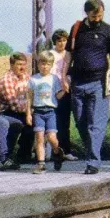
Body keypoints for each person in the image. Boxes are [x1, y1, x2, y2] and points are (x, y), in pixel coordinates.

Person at [67, 0, 110, 174]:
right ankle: (92, 153)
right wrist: (64, 76)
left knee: (95, 125)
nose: (98, 18)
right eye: (95, 15)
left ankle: (93, 163)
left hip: (99, 83)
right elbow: (69, 56)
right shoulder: (76, 30)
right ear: (87, 13)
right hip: (77, 83)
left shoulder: (108, 31)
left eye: (100, 15)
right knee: (81, 123)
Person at [26, 50, 66, 174]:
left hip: (50, 111)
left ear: (51, 65)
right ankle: (41, 164)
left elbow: (58, 95)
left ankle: (56, 152)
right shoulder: (34, 80)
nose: (45, 67)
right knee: (39, 137)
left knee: (52, 137)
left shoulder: (54, 79)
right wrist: (28, 112)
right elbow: (30, 97)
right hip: (38, 111)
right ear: (38, 64)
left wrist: (65, 89)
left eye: (48, 64)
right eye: (42, 64)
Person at [0, 52, 33, 167]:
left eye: (24, 64)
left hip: (22, 111)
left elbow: (34, 94)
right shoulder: (7, 80)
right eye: (19, 64)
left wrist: (32, 111)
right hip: (6, 112)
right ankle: (7, 156)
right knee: (22, 122)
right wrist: (30, 111)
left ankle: (24, 155)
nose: (22, 67)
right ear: (11, 65)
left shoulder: (26, 77)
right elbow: (14, 104)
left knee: (35, 122)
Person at [49, 29, 76, 160]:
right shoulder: (50, 54)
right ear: (55, 42)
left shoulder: (69, 54)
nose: (62, 43)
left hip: (65, 90)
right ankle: (52, 151)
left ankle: (66, 150)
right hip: (52, 91)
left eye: (64, 40)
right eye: (59, 40)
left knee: (64, 122)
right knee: (51, 122)